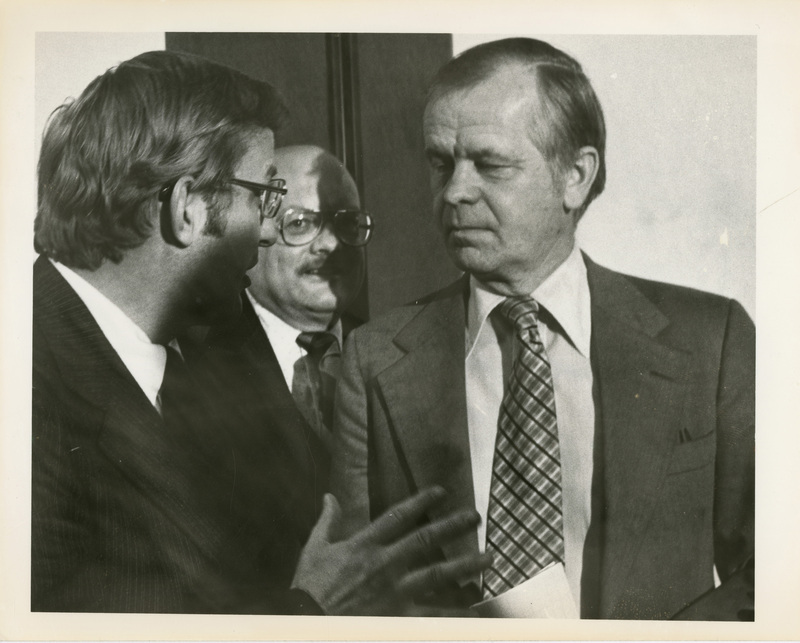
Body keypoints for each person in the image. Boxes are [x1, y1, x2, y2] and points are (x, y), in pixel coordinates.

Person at [31, 50, 490, 614]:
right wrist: (308, 609)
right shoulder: (27, 392)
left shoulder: (168, 367)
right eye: (266, 199)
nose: (270, 233)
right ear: (187, 210)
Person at [330, 37, 755, 620]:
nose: (454, 191)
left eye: (490, 163)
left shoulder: (713, 341)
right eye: (440, 163)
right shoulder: (374, 359)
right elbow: (354, 595)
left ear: (575, 176)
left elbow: (774, 570)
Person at [199, 145, 369, 489]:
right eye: (301, 223)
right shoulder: (197, 360)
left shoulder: (387, 352)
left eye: (347, 223)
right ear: (254, 232)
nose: (330, 245)